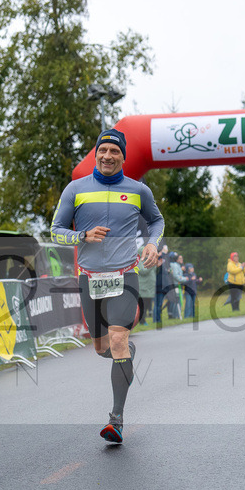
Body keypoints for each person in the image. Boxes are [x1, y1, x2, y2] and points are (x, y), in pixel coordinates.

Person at [50, 128, 163, 444]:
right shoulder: (76, 189)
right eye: (103, 151)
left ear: (123, 157)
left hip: (125, 276)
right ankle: (124, 352)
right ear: (96, 153)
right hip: (90, 279)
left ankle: (116, 420)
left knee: (117, 342)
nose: (108, 156)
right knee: (101, 347)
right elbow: (56, 230)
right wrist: (81, 237)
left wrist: (152, 244)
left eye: (115, 152)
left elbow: (156, 221)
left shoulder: (138, 190)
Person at [136, 244, 156, 325]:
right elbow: (144, 271)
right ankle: (142, 321)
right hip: (143, 288)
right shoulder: (139, 261)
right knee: (142, 306)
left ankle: (143, 320)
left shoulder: (148, 260)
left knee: (147, 305)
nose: (148, 254)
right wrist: (152, 264)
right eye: (146, 252)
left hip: (150, 288)